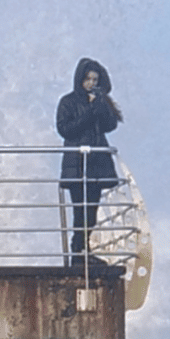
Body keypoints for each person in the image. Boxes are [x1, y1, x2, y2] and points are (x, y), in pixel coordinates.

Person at [56, 57, 122, 264]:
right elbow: (65, 129)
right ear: (80, 79)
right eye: (88, 79)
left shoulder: (100, 101)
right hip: (77, 163)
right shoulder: (68, 102)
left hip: (97, 164)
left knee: (92, 209)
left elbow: (110, 125)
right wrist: (90, 111)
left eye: (95, 79)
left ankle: (84, 249)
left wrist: (101, 106)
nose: (91, 83)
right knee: (80, 209)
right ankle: (78, 251)